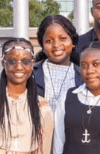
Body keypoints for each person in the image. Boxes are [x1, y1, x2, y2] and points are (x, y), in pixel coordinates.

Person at [32, 14, 81, 143]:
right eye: (49, 40)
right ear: (42, 44)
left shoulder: (84, 76)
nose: (56, 45)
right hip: (38, 144)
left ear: (73, 42)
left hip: (71, 145)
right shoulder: (31, 74)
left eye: (63, 38)